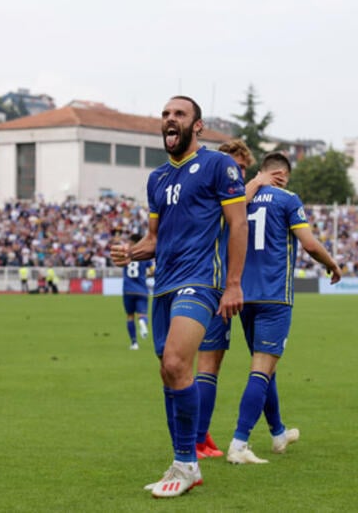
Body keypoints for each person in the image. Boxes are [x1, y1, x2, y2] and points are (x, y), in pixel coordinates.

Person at [110, 95, 247, 498]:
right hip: (164, 284)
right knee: (169, 373)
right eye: (166, 114)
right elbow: (154, 239)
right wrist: (130, 251)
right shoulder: (157, 179)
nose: (170, 120)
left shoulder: (218, 165)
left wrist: (234, 283)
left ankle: (187, 462)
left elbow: (237, 225)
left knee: (175, 361)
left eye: (179, 114)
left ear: (197, 126)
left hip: (201, 280)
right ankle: (182, 461)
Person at [226, 152, 341, 464]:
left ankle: (278, 434)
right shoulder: (288, 199)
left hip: (243, 294)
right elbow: (309, 243)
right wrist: (332, 263)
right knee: (261, 369)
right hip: (275, 296)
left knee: (266, 369)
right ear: (282, 174)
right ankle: (239, 443)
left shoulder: (241, 198)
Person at [195, 139, 286, 459]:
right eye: (236, 167)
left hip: (225, 284)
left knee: (249, 362)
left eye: (245, 169)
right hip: (212, 285)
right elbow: (235, 201)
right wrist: (259, 180)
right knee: (208, 364)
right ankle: (196, 439)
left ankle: (205, 438)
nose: (240, 174)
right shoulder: (215, 188)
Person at [121, 234, 152, 351]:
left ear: (133, 242)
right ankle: (142, 323)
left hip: (128, 290)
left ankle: (134, 343)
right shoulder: (145, 256)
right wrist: (146, 275)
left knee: (129, 316)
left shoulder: (127, 254)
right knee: (142, 315)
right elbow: (153, 271)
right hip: (142, 290)